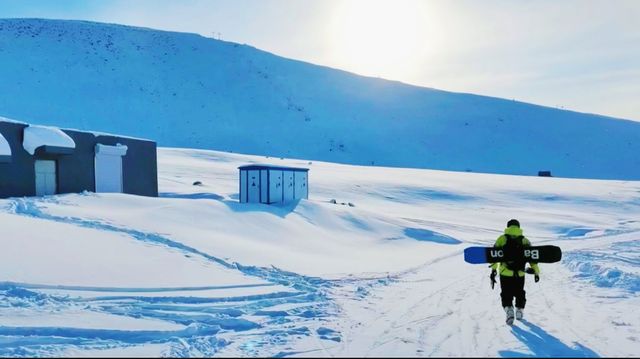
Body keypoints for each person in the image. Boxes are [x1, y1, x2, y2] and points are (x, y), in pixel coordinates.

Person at [490, 219, 540, 325]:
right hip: (520, 273)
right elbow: (532, 257)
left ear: (508, 227)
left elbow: (494, 255)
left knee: (506, 293)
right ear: (519, 227)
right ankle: (519, 310)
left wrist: (493, 270)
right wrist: (536, 271)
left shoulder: (502, 239)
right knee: (519, 292)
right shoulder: (525, 240)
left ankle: (509, 310)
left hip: (505, 273)